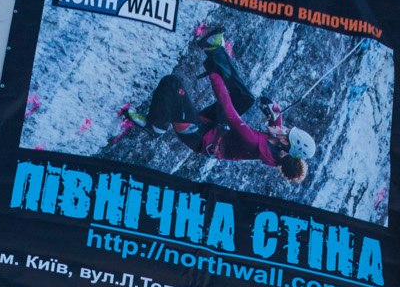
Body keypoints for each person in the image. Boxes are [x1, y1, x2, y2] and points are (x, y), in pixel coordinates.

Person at [121, 37, 314, 182]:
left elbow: (229, 111)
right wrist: (275, 112)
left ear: (284, 143)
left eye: (287, 132)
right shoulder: (276, 147)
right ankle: (214, 48)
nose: (284, 128)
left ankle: (156, 126)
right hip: (213, 127)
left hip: (196, 135)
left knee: (172, 84)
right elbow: (276, 127)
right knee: (246, 99)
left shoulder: (254, 142)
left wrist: (215, 75)